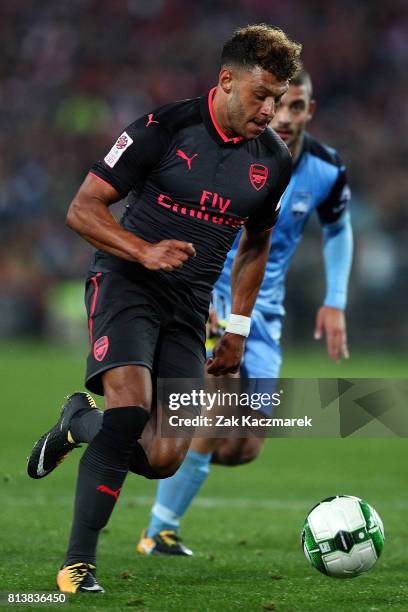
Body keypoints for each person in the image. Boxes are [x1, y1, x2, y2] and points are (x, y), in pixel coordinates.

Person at [27, 24, 301, 592]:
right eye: (261, 95)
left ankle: (78, 421)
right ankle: (77, 565)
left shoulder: (273, 160)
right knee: (130, 412)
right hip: (126, 282)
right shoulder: (163, 128)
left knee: (162, 457)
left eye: (277, 99)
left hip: (191, 308)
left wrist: (239, 327)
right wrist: (142, 250)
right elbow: (83, 209)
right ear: (226, 81)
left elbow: (256, 242)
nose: (270, 110)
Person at [135, 67, 353, 556]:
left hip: (266, 312)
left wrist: (335, 299)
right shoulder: (231, 151)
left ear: (308, 111)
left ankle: (142, 423)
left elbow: (339, 228)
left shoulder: (325, 167)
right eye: (280, 104)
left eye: (298, 106)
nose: (285, 115)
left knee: (244, 445)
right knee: (214, 412)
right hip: (210, 294)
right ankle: (158, 531)